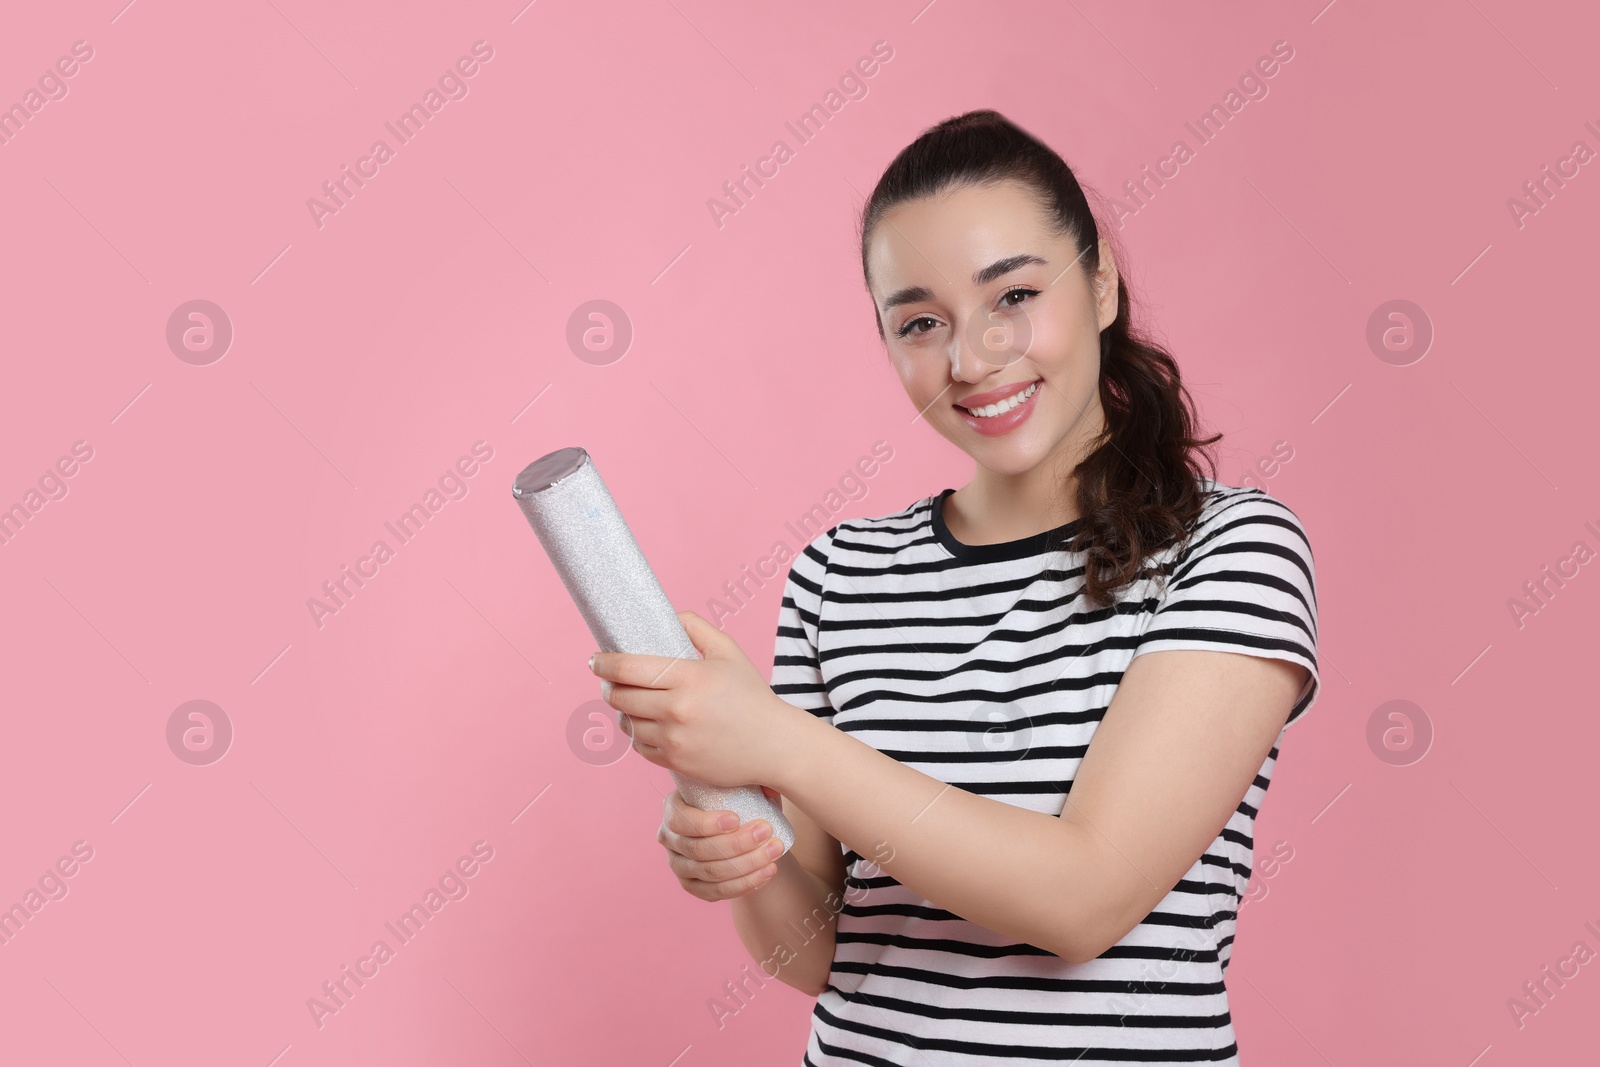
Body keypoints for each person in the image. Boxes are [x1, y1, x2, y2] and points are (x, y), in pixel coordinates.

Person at [588, 109, 1319, 1065]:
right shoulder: (839, 575)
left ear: (1100, 285)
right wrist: (732, 808)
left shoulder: (1230, 546)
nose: (971, 360)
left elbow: (1083, 900)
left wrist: (778, 740)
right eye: (922, 321)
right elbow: (814, 956)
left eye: (1012, 294)